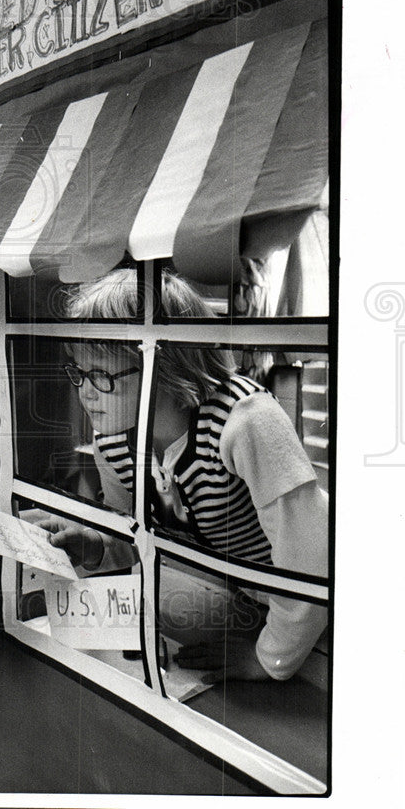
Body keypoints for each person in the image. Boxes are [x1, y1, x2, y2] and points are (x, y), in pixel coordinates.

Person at [31, 268, 328, 683]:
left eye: (101, 374)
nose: (85, 391)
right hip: (246, 597)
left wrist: (268, 658)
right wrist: (97, 543)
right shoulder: (113, 441)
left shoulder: (244, 421)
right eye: (78, 372)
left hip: (313, 613)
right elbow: (131, 532)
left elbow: (309, 557)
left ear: (163, 364)